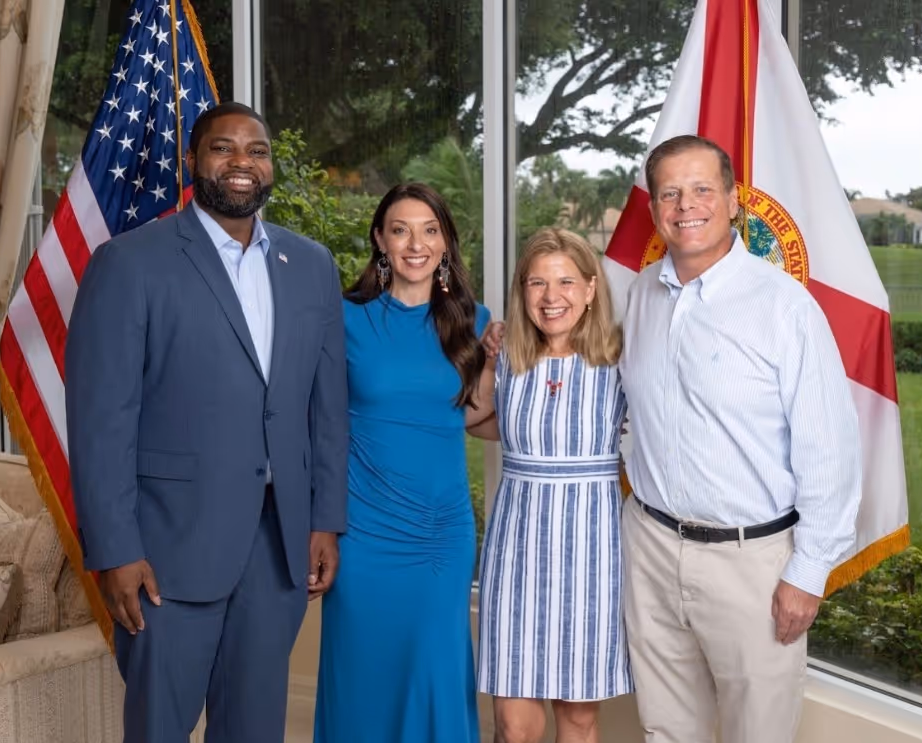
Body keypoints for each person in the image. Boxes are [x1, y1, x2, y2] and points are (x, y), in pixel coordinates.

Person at [65, 102, 349, 743]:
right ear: (192, 162)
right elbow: (101, 419)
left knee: (253, 729)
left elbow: (325, 410)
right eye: (224, 148)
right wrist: (115, 549)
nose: (242, 163)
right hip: (166, 551)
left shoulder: (310, 266)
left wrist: (325, 519)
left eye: (257, 150)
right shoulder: (130, 263)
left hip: (279, 547)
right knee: (160, 729)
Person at [619, 134, 862, 743]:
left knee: (759, 734)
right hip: (649, 546)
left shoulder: (784, 306)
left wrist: (807, 574)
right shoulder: (641, 294)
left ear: (733, 201)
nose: (685, 205)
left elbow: (828, 449)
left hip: (751, 563)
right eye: (669, 193)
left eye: (703, 189)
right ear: (654, 210)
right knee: (666, 730)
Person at [313, 183, 495, 743]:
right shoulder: (343, 317)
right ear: (379, 241)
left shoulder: (475, 320)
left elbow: (470, 417)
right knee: (362, 677)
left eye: (430, 230)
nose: (416, 243)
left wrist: (501, 367)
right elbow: (318, 421)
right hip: (364, 533)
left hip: (441, 535)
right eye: (400, 229)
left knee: (435, 675)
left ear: (445, 242)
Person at [476, 228, 633, 743]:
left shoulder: (621, 360)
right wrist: (487, 359)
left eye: (566, 281)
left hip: (592, 555)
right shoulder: (508, 359)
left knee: (578, 718)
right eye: (537, 282)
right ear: (522, 291)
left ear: (591, 289)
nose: (551, 296)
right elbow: (477, 421)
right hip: (516, 552)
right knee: (512, 725)